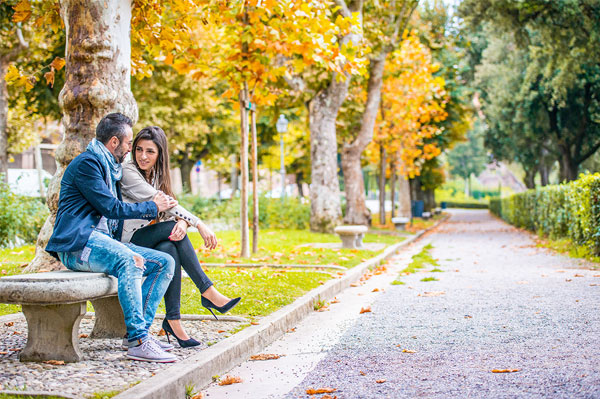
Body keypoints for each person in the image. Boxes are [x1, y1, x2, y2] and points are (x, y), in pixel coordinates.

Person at [46, 113, 179, 363]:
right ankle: (140, 342)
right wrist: (152, 206)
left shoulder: (111, 168)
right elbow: (112, 208)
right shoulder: (88, 165)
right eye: (129, 143)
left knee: (164, 263)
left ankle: (134, 335)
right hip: (78, 245)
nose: (131, 149)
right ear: (115, 142)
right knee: (128, 260)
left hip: (101, 242)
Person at [119, 126, 240, 348]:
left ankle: (173, 321)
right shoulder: (129, 172)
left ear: (160, 155)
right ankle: (207, 290)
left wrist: (183, 222)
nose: (143, 156)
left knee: (170, 248)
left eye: (150, 152)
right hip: (125, 241)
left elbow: (169, 208)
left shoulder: (154, 175)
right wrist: (198, 224)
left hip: (145, 237)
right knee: (173, 238)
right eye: (139, 149)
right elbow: (162, 202)